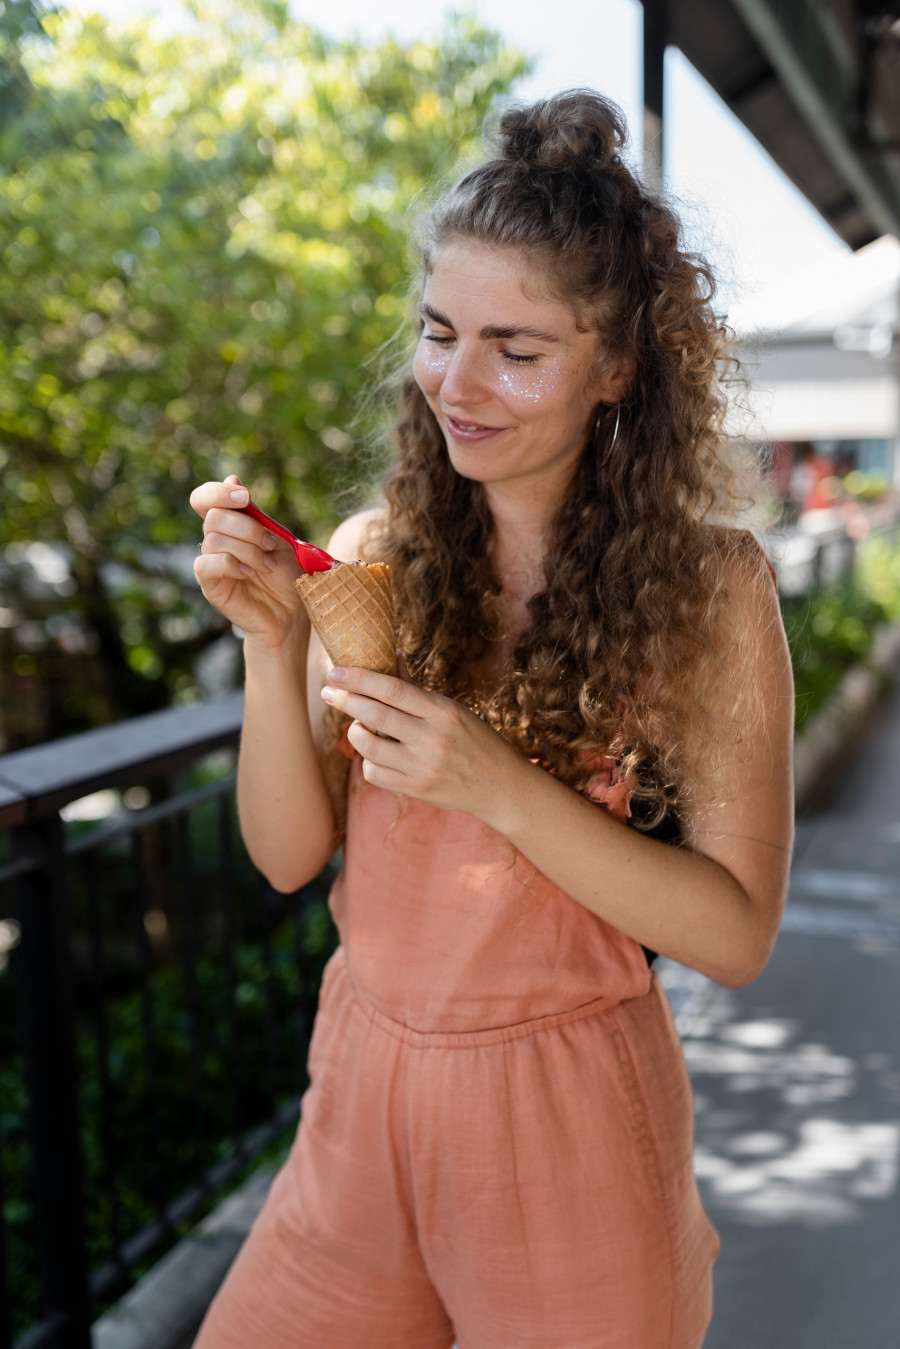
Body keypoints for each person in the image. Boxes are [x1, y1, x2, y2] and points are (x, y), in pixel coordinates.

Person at [189, 90, 794, 1349]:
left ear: (619, 367)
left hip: (567, 1117)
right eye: (438, 331)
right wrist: (269, 643)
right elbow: (291, 854)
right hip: (357, 1089)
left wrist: (498, 786)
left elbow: (735, 934)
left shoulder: (712, 588)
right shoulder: (370, 558)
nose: (457, 385)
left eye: (517, 351)